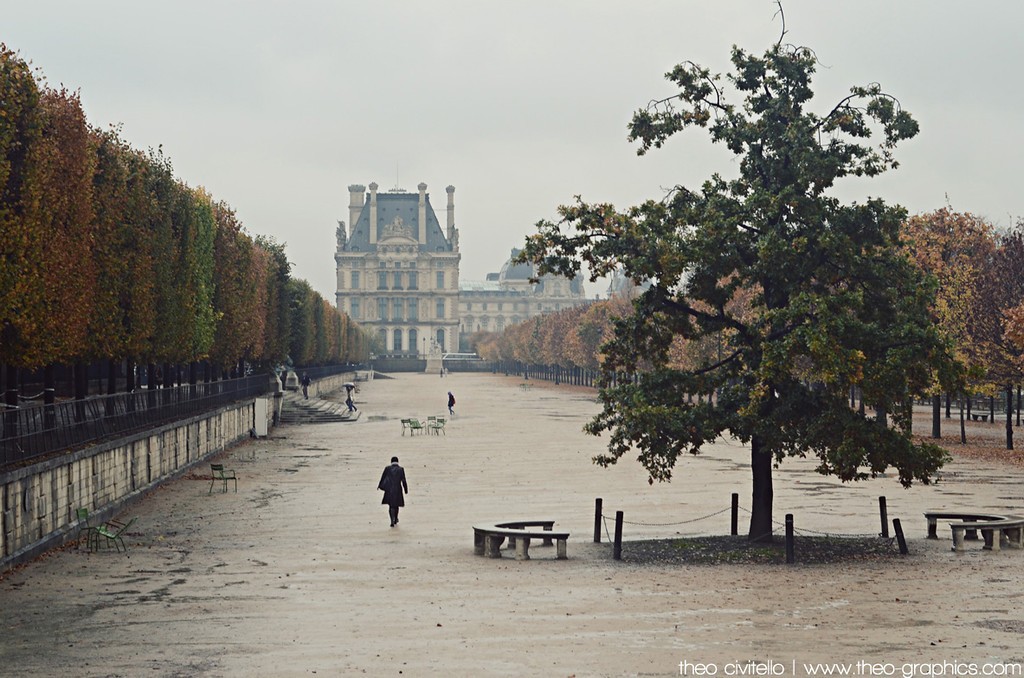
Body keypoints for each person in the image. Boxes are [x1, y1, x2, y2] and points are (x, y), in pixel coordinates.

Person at [378, 456, 408, 527]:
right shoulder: (401, 469)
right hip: (398, 489)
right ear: (398, 462)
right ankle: (395, 519)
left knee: (391, 506)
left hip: (389, 489)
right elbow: (403, 480)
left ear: (391, 462)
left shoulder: (387, 469)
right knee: (396, 505)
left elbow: (383, 477)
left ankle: (392, 520)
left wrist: (379, 486)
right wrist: (406, 489)